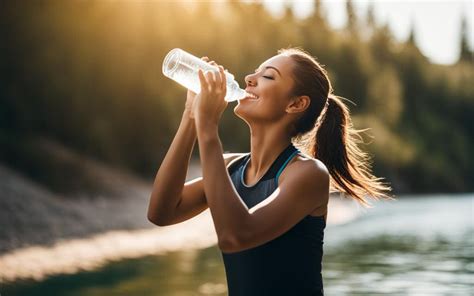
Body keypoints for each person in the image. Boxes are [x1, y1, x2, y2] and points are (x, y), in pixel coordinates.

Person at [148, 47, 393, 295]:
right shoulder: (229, 167)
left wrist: (208, 127)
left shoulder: (308, 174)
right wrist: (191, 115)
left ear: (296, 104)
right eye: (255, 72)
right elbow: (162, 212)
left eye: (268, 76)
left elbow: (235, 237)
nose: (249, 79)